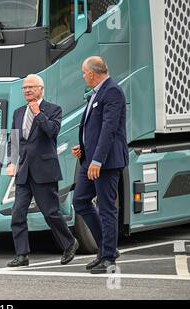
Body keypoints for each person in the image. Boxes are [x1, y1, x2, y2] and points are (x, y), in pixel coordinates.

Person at [6, 74, 79, 267]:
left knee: (51, 213)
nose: (27, 90)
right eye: (24, 88)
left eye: (31, 87)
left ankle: (69, 243)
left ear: (41, 89)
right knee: (17, 214)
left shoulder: (53, 110)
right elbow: (13, 140)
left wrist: (38, 113)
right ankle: (22, 255)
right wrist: (11, 162)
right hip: (24, 172)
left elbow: (52, 132)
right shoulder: (18, 112)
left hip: (44, 171)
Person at [71, 56, 128, 274]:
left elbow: (109, 129)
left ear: (93, 73)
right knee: (80, 200)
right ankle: (106, 248)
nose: (83, 76)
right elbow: (93, 129)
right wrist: (83, 149)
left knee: (106, 208)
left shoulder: (112, 91)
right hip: (90, 158)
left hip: (105, 162)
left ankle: (108, 257)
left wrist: (97, 160)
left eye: (84, 73)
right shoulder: (97, 93)